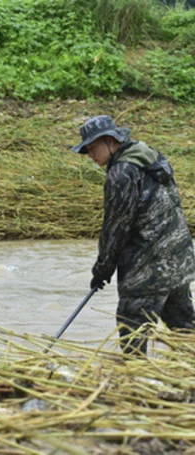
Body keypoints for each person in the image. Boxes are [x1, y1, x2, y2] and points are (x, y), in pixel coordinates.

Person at [72, 115, 195, 356]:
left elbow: (116, 227)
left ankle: (134, 385)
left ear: (109, 141)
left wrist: (102, 269)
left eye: (92, 148)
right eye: (86, 150)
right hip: (178, 261)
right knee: (185, 331)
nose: (90, 155)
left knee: (133, 337)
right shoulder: (150, 157)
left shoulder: (121, 173)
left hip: (147, 270)